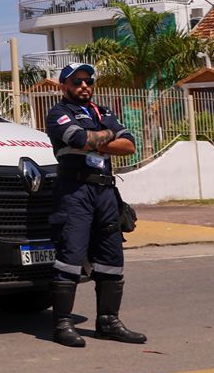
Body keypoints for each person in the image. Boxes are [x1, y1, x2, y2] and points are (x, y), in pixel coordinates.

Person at [43, 62, 146, 348]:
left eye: (88, 81)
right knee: (71, 255)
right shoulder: (58, 114)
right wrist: (108, 135)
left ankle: (108, 322)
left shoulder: (103, 112)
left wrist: (96, 141)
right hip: (75, 191)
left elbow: (130, 144)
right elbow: (77, 138)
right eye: (77, 82)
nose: (84, 86)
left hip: (105, 193)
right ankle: (63, 323)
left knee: (111, 257)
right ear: (64, 86)